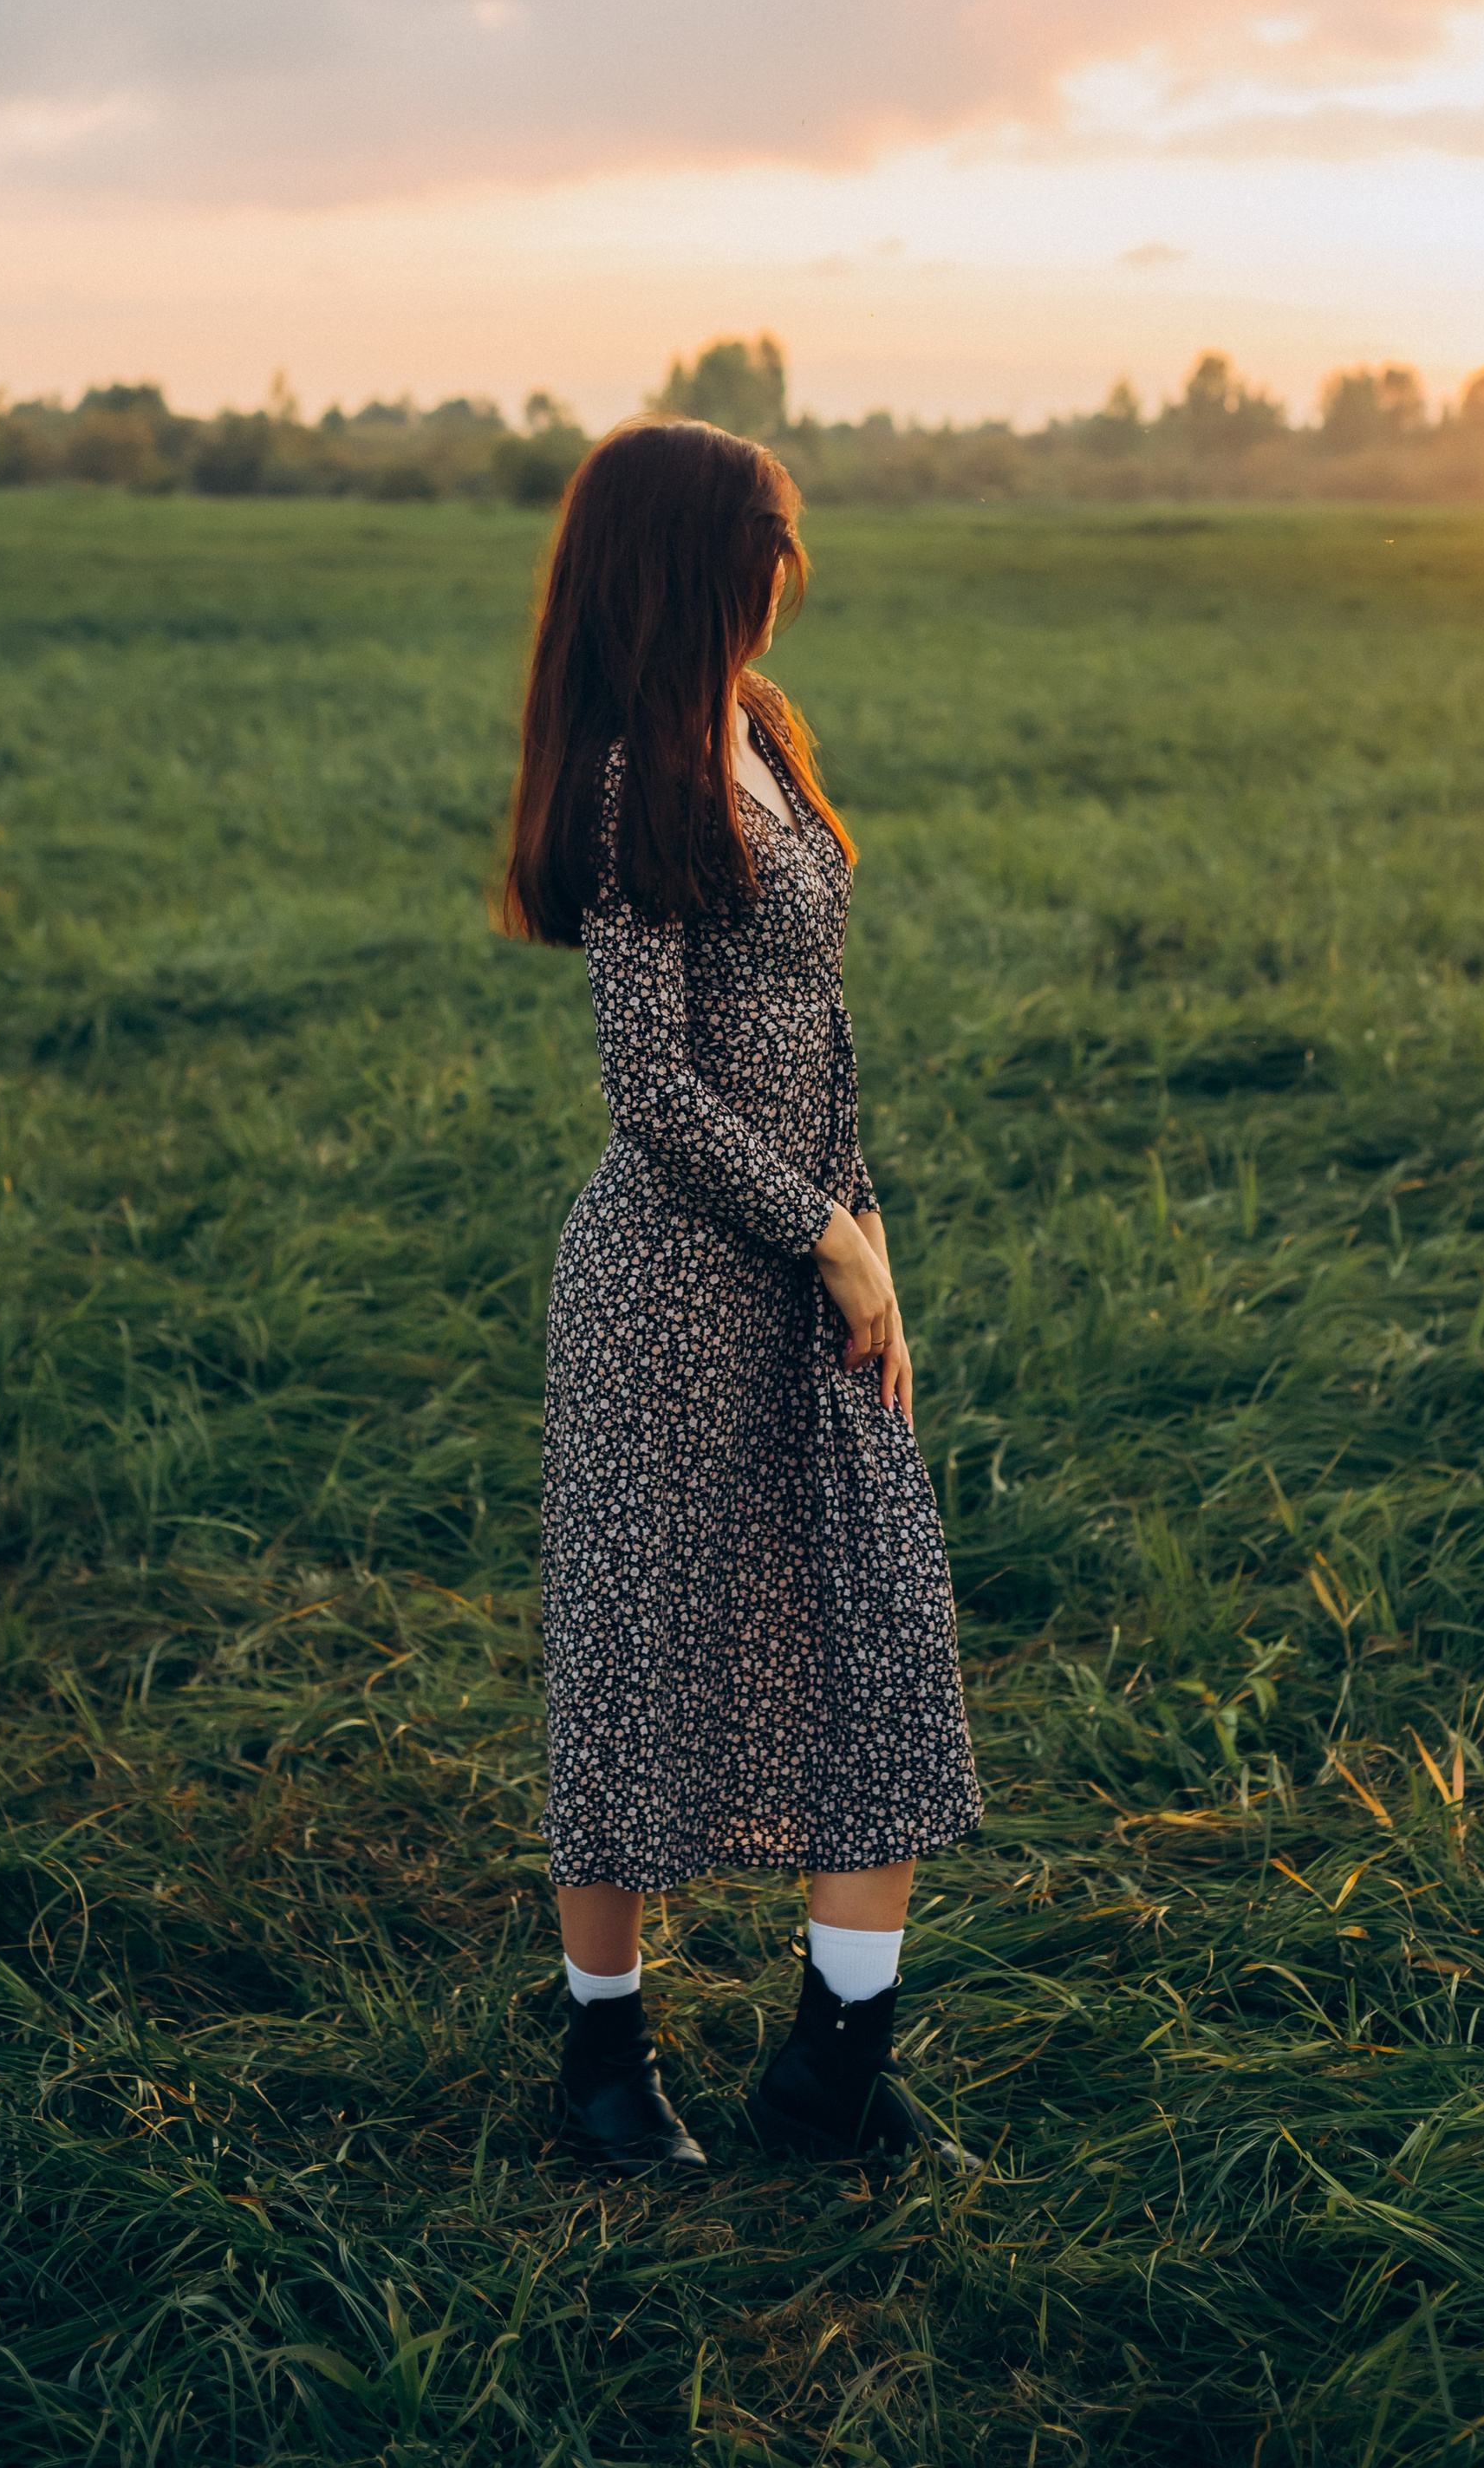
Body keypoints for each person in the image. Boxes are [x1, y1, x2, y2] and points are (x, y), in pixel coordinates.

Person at [500, 416, 984, 2176]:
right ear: (695, 560)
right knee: (641, 1667)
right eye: (772, 534)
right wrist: (825, 1234)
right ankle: (598, 2067)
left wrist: (866, 1240)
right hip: (662, 1297)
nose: (795, 564)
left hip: (806, 1270)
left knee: (878, 1652)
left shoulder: (763, 731)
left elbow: (814, 1040)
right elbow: (652, 1087)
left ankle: (829, 2076)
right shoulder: (639, 777)